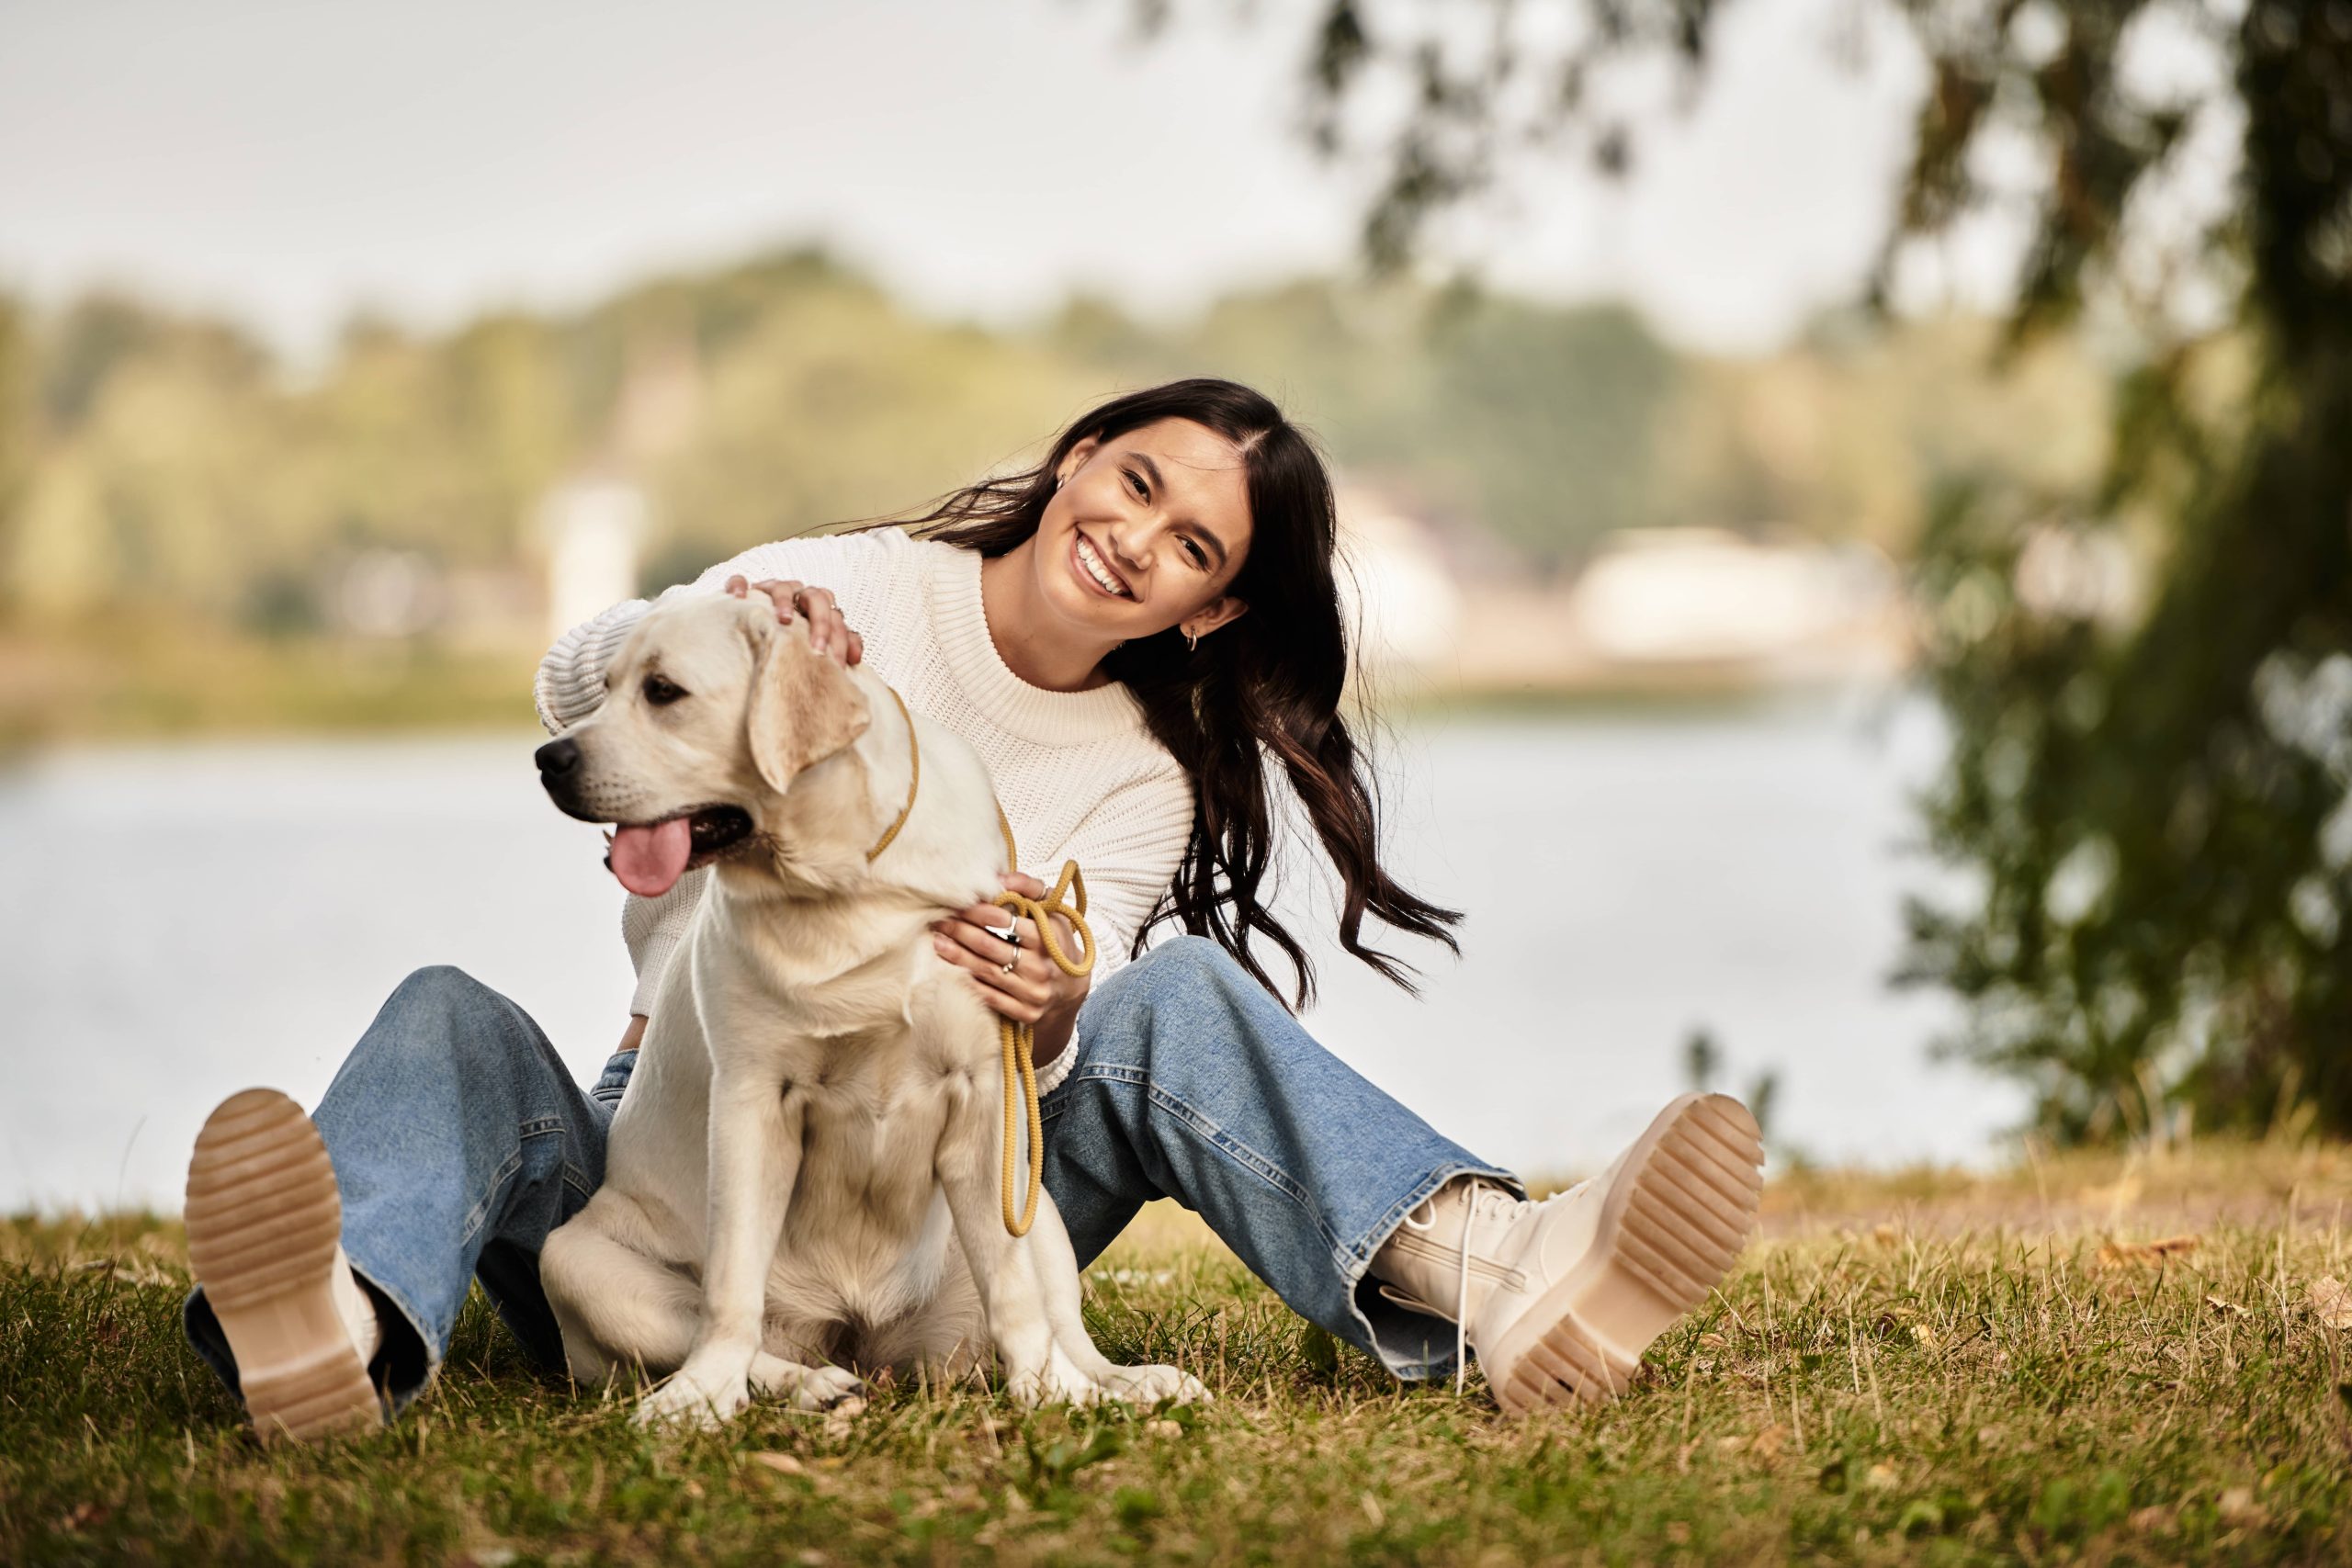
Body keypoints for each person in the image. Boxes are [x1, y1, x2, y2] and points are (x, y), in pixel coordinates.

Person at [179, 378, 1762, 1442]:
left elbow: (1070, 1059)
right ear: (1079, 458)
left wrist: (1061, 1008)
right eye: (1133, 480)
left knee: (1172, 998)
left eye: (1191, 545)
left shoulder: (1144, 776)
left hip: (947, 1197)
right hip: (684, 1141)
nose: (1134, 538)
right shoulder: (842, 591)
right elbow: (582, 682)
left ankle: (1497, 1272)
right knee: (451, 1013)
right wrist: (728, 629)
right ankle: (344, 1324)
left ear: (1209, 606)